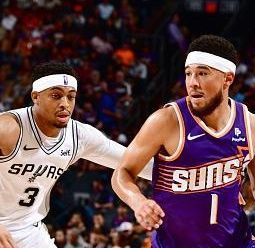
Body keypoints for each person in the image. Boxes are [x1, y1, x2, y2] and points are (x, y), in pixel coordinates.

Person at [112, 35, 255, 247]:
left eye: (203, 73)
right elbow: (122, 172)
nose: (192, 83)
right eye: (188, 74)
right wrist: (138, 202)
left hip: (237, 242)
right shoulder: (166, 121)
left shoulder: (254, 127)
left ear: (227, 79)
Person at [0, 62, 152, 248]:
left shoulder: (79, 136)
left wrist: (184, 176)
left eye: (71, 97)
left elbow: (132, 161)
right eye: (56, 96)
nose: (65, 104)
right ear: (36, 97)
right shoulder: (9, 128)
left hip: (29, 229)